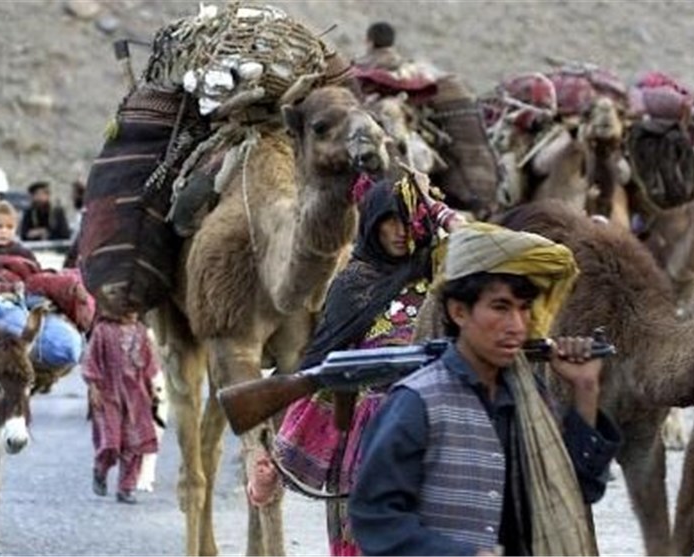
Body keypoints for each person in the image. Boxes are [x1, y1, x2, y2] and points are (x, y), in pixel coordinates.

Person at [348, 222, 622, 556]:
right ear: (459, 311)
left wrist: (585, 389)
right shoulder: (417, 403)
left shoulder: (530, 398)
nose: (518, 326)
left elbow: (577, 490)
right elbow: (375, 518)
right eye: (501, 308)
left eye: (523, 309)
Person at [247, 174, 466, 555]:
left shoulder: (440, 272)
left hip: (437, 426)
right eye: (389, 220)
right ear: (371, 223)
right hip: (371, 436)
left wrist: (438, 209)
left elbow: (480, 243)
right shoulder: (352, 284)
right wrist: (277, 467)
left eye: (408, 220)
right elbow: (322, 372)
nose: (400, 232)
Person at [83, 310, 160, 504]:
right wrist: (93, 387)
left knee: (135, 443)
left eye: (136, 308)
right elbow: (91, 359)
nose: (133, 312)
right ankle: (100, 469)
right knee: (111, 441)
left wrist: (153, 391)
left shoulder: (141, 332)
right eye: (128, 307)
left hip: (137, 395)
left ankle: (126, 488)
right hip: (108, 393)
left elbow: (149, 364)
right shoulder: (103, 331)